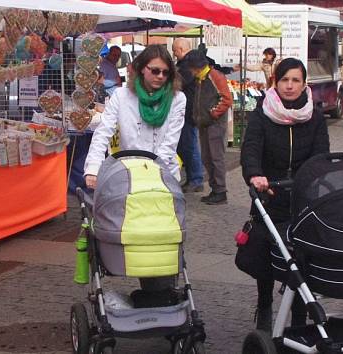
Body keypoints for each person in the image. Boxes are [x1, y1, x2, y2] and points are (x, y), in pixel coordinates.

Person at [84, 44, 185, 292]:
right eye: (155, 71)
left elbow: (170, 143)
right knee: (136, 233)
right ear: (141, 70)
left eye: (165, 73)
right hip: (128, 178)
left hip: (163, 178)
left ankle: (163, 291)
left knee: (161, 237)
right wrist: (93, 169)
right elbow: (103, 132)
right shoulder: (121, 96)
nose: (160, 77)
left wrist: (153, 173)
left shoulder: (178, 99)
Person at [239, 58, 330, 332]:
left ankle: (299, 320)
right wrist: (255, 174)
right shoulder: (261, 113)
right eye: (284, 80)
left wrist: (314, 179)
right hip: (269, 193)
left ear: (304, 84)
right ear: (275, 82)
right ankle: (265, 305)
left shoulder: (314, 116)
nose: (289, 86)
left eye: (295, 80)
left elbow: (321, 154)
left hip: (302, 198)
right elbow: (251, 148)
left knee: (301, 259)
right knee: (265, 255)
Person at [181, 49, 232, 205]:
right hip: (204, 123)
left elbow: (226, 99)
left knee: (216, 157)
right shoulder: (201, 78)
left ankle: (220, 191)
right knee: (207, 158)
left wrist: (213, 113)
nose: (189, 71)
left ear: (196, 66)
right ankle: (215, 189)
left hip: (214, 124)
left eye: (190, 67)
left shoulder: (214, 76)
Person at [172, 38, 204, 193]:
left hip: (189, 112)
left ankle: (196, 179)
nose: (174, 53)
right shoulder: (184, 64)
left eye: (174, 50)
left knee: (189, 146)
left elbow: (180, 83)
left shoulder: (187, 65)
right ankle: (193, 178)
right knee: (184, 146)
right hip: (186, 111)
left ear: (180, 49)